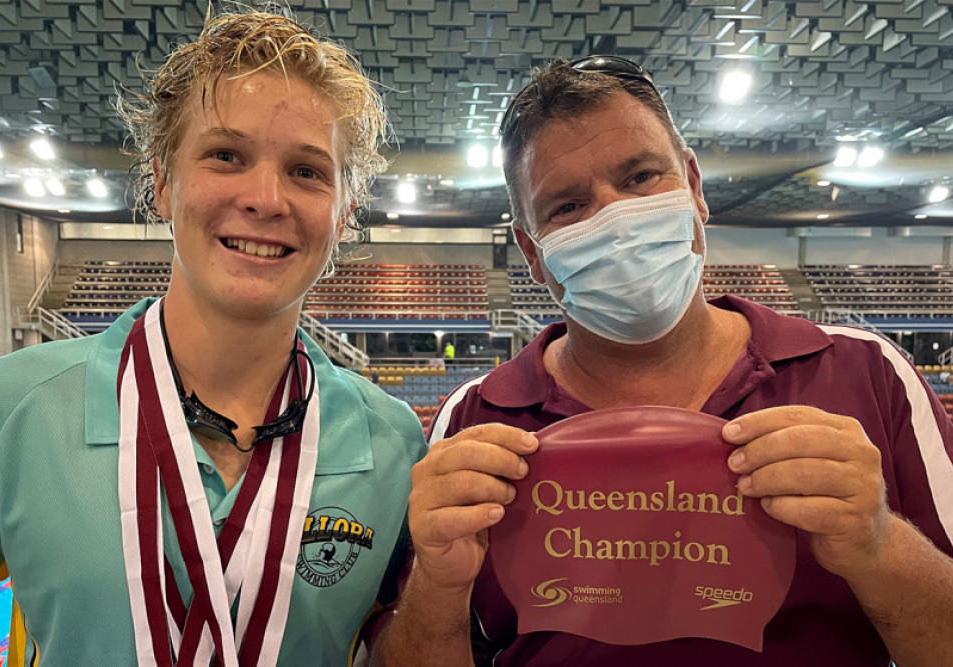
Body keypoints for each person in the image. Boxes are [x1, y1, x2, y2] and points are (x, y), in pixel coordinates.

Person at [370, 57, 953, 665]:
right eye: (567, 207)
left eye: (642, 177)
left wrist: (880, 547)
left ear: (693, 186)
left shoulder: (868, 372)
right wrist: (437, 588)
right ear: (532, 251)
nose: (615, 219)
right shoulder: (475, 420)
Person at [0, 10, 426, 666]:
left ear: (344, 211)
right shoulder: (0, 410)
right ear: (163, 182)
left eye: (307, 171)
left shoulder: (395, 443)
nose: (266, 198)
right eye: (226, 156)